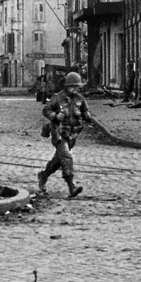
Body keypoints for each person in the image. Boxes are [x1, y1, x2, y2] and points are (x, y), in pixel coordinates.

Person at [35, 70, 89, 200]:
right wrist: (55, 115)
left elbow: (85, 111)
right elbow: (46, 109)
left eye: (77, 87)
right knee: (66, 157)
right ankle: (71, 187)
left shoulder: (80, 99)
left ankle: (44, 175)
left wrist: (87, 116)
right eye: (72, 86)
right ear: (66, 86)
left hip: (72, 134)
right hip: (58, 132)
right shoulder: (57, 97)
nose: (74, 89)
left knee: (58, 161)